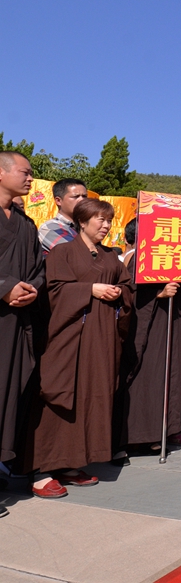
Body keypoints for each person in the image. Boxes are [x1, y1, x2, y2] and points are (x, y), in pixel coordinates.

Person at [27, 199, 133, 499]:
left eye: (108, 220)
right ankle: (42, 470)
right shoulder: (62, 252)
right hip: (71, 336)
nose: (105, 225)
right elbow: (54, 291)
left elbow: (127, 288)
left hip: (101, 339)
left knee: (91, 397)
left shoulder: (111, 256)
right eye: (99, 219)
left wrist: (119, 292)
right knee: (61, 393)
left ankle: (70, 463)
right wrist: (90, 289)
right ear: (82, 222)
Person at [115, 217, 181, 459]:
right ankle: (124, 440)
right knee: (141, 380)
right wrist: (159, 294)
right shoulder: (136, 256)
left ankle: (154, 435)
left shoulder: (175, 255)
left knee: (163, 378)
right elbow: (129, 293)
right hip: (144, 328)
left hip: (167, 325)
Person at [0, 152, 45, 514]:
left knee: (9, 397)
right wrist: (4, 287)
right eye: (25, 173)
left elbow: (39, 268)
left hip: (17, 326)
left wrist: (31, 287)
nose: (30, 179)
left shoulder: (27, 225)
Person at [37, 178, 87, 256]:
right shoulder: (50, 227)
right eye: (76, 196)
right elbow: (80, 255)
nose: (82, 200)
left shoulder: (85, 226)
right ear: (58, 201)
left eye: (84, 196)